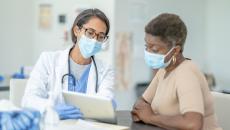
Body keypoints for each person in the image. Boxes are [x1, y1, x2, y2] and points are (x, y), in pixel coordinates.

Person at [131, 13, 222, 130]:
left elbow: (193, 124)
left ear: (175, 51)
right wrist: (146, 114)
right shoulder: (164, 70)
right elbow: (140, 103)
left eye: (154, 49)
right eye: (146, 46)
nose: (148, 52)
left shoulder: (186, 74)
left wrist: (151, 117)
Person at [22, 8, 116, 120]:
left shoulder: (105, 70)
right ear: (77, 30)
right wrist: (51, 108)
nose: (94, 40)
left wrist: (107, 106)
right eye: (90, 33)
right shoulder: (48, 60)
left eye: (100, 36)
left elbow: (104, 104)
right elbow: (28, 99)